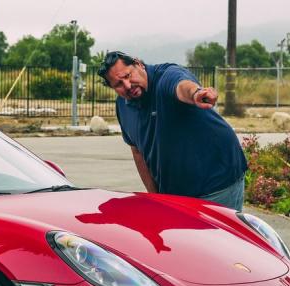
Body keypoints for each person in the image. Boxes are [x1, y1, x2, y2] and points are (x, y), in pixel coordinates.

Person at [99, 50, 247, 211]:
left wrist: (196, 93)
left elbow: (182, 86)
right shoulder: (123, 106)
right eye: (118, 85)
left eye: (127, 76)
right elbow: (137, 152)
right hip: (175, 194)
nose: (127, 86)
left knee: (217, 236)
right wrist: (155, 196)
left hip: (218, 181)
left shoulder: (165, 76)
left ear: (138, 64)